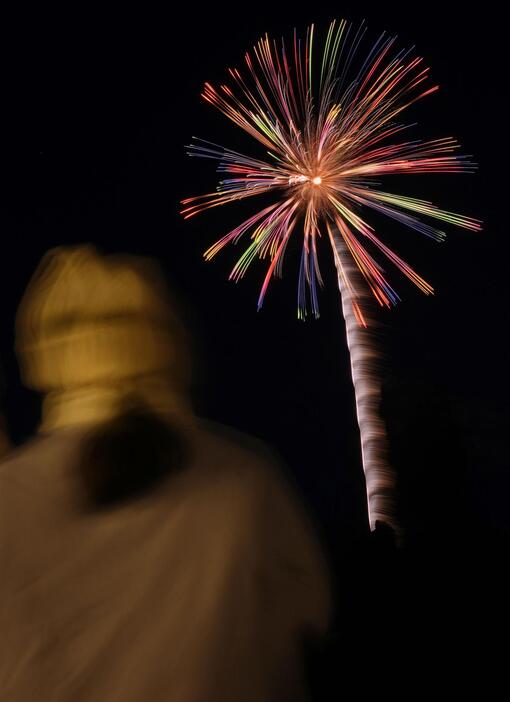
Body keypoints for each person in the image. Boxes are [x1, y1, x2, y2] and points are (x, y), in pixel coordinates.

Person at [0, 245, 332, 701]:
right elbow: (308, 616)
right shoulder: (249, 479)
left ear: (41, 350)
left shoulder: (10, 492)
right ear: (170, 342)